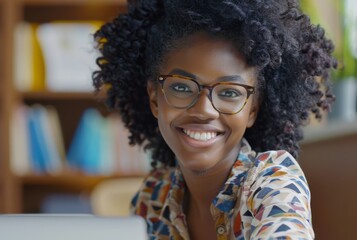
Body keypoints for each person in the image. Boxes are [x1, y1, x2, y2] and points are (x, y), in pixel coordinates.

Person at [92, 0, 336, 239]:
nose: (204, 110)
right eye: (182, 87)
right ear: (155, 98)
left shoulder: (274, 184)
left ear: (253, 109)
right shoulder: (153, 197)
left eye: (230, 92)